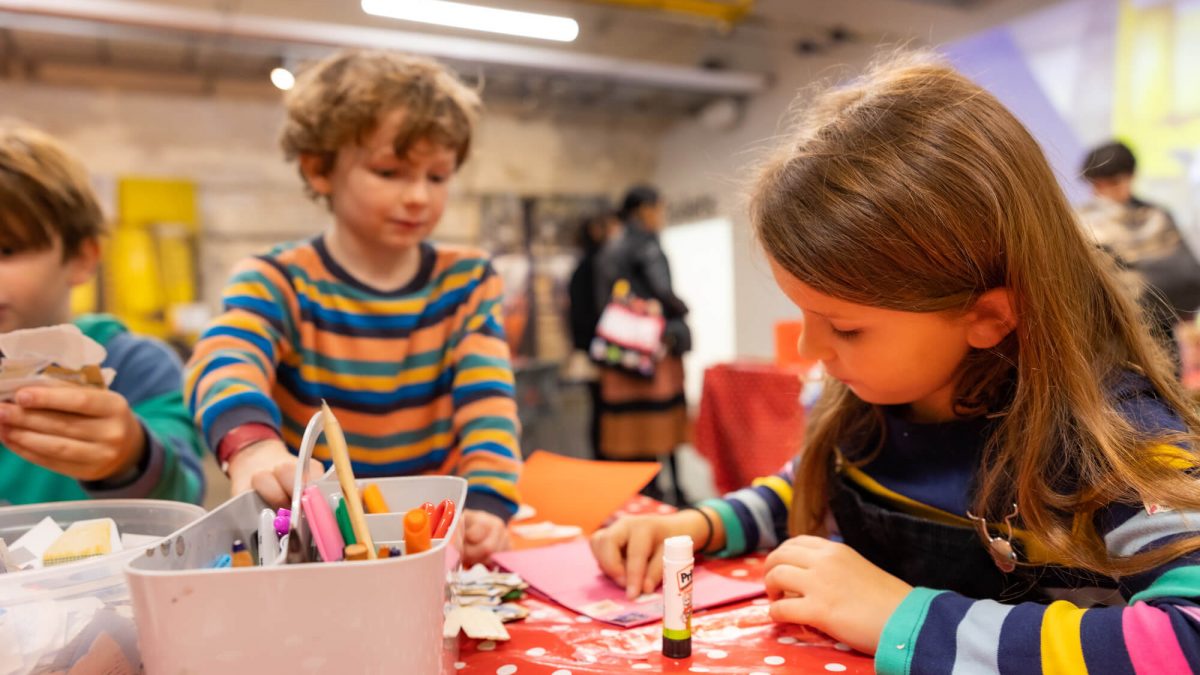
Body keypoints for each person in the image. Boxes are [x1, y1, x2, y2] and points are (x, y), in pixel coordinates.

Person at [591, 53, 1200, 671]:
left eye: (846, 328)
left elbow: (1190, 637)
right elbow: (805, 487)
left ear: (989, 317)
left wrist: (904, 617)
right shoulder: (874, 406)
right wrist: (704, 525)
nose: (810, 350)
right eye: (803, 314)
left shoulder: (1117, 440)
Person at [184, 49, 520, 566]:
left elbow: (488, 403)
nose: (418, 196)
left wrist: (489, 501)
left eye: (437, 176)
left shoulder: (467, 280)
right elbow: (224, 358)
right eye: (390, 171)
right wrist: (252, 447)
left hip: (426, 536)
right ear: (319, 170)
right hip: (317, 546)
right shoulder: (277, 280)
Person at [0, 121, 205, 505]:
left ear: (81, 258)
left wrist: (131, 456)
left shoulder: (134, 364)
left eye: (7, 250)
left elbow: (185, 493)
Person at [594, 185, 690, 504]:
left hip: (621, 351)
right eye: (658, 208)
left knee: (631, 432)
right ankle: (672, 492)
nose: (660, 215)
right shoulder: (647, 244)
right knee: (662, 426)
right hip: (653, 350)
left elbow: (604, 300)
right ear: (645, 209)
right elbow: (662, 290)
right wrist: (680, 309)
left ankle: (642, 494)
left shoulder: (611, 246)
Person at [1079, 140, 1200, 360]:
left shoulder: (1157, 217)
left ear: (1130, 177)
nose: (1104, 191)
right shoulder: (1082, 224)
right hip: (1114, 336)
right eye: (1097, 184)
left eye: (1113, 182)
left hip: (1163, 329)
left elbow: (1188, 277)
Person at [567, 210, 618, 459]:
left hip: (590, 348)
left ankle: (600, 458)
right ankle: (602, 459)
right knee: (603, 411)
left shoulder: (583, 267)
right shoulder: (595, 267)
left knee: (599, 410)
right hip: (598, 350)